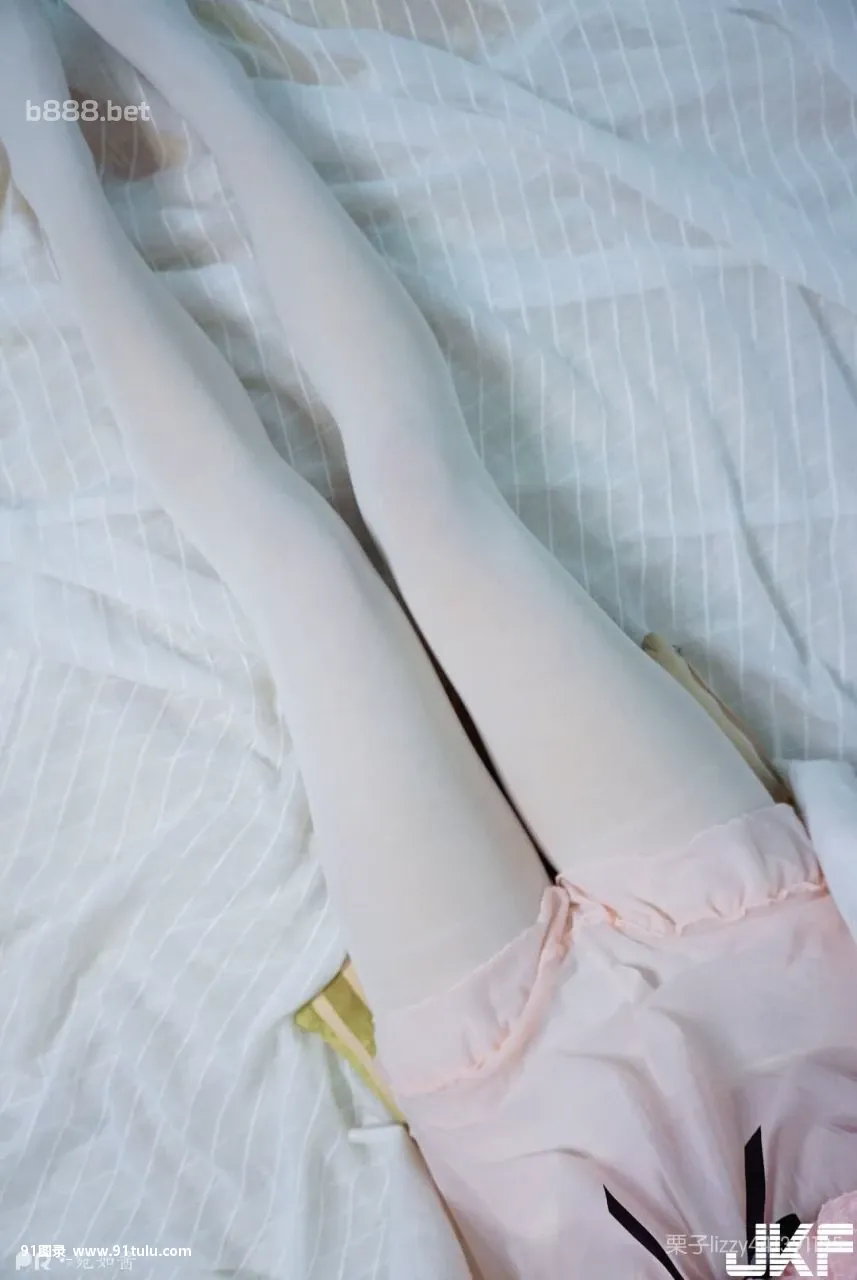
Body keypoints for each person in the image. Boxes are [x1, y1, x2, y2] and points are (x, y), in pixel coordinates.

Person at [2, 1, 856, 1275]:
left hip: (519, 1100)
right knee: (424, 497)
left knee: (302, 578)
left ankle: (47, 148)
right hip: (746, 953)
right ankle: (184, 62)